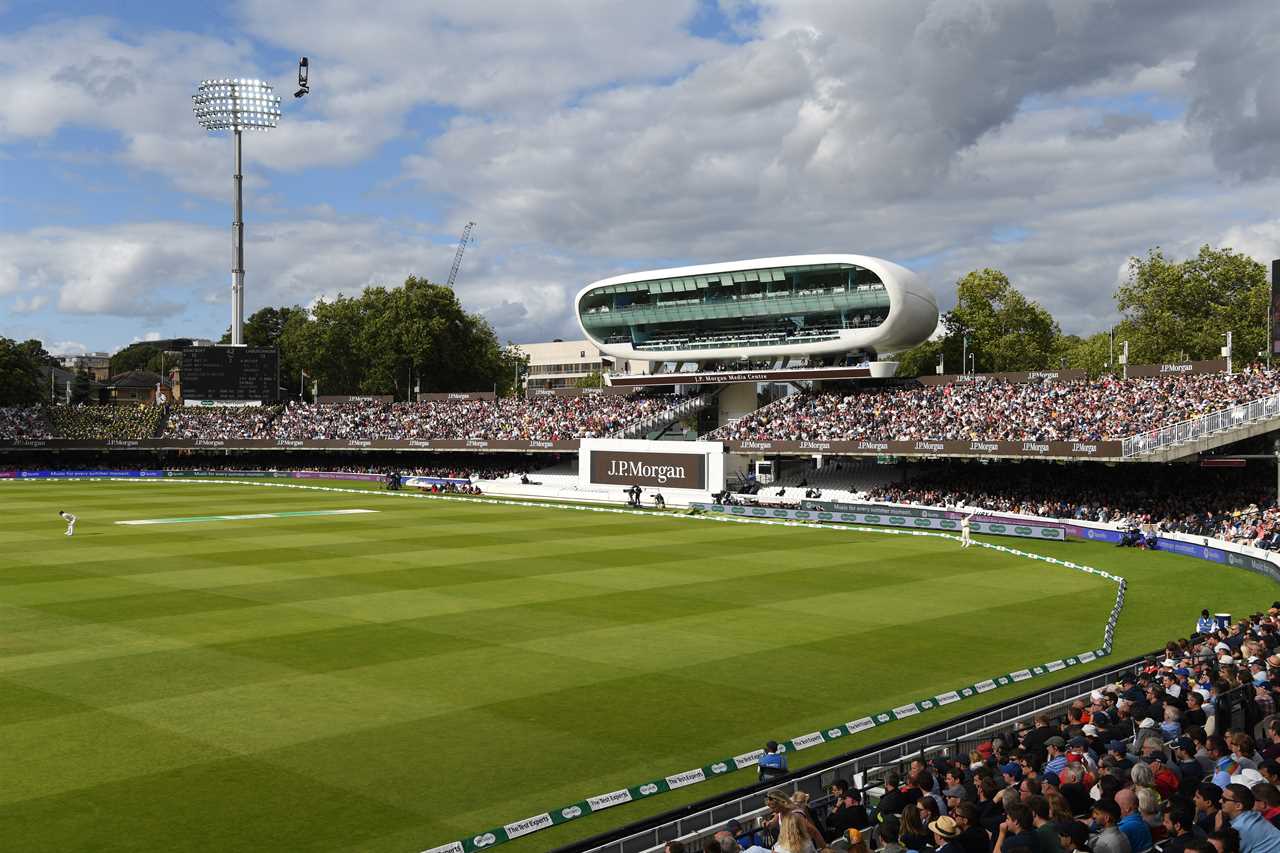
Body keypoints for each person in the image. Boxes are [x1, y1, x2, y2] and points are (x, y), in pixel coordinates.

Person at [1220, 783, 1280, 853]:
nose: (1220, 801)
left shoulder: (1240, 828)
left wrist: (1217, 828)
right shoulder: (1255, 815)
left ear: (1238, 806)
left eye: (1224, 799)